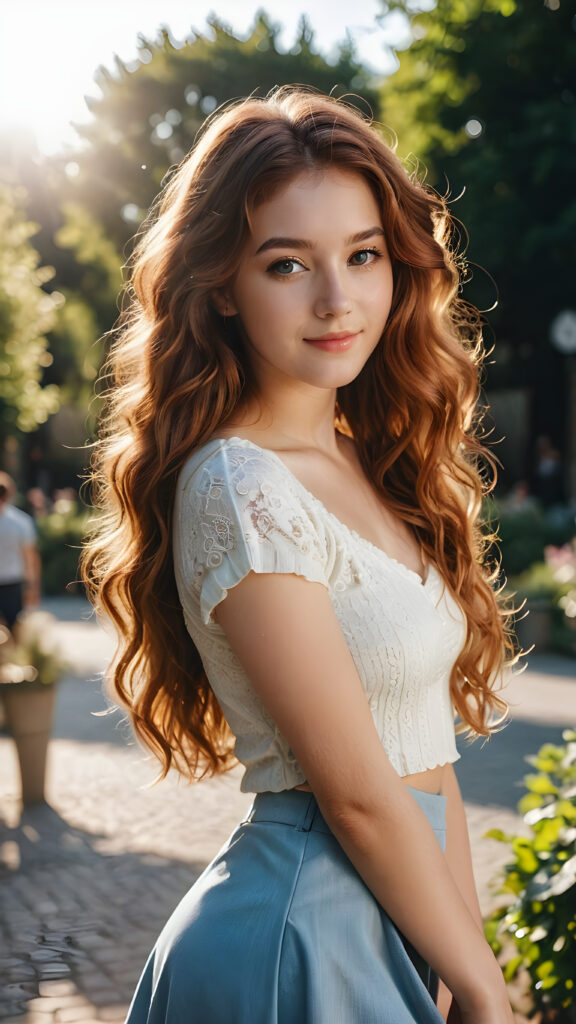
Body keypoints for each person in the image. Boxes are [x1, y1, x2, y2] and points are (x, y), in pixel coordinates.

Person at [83, 87, 517, 1023]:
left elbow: (424, 763)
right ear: (222, 288)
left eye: (363, 256)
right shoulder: (239, 488)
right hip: (296, 940)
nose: (337, 299)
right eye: (287, 265)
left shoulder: (367, 463)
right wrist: (485, 989)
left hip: (396, 920)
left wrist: (466, 961)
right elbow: (357, 794)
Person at [0, 472, 41, 629]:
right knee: (14, 630)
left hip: (13, 582)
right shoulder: (21, 521)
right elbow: (30, 558)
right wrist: (33, 588)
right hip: (13, 583)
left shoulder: (20, 522)